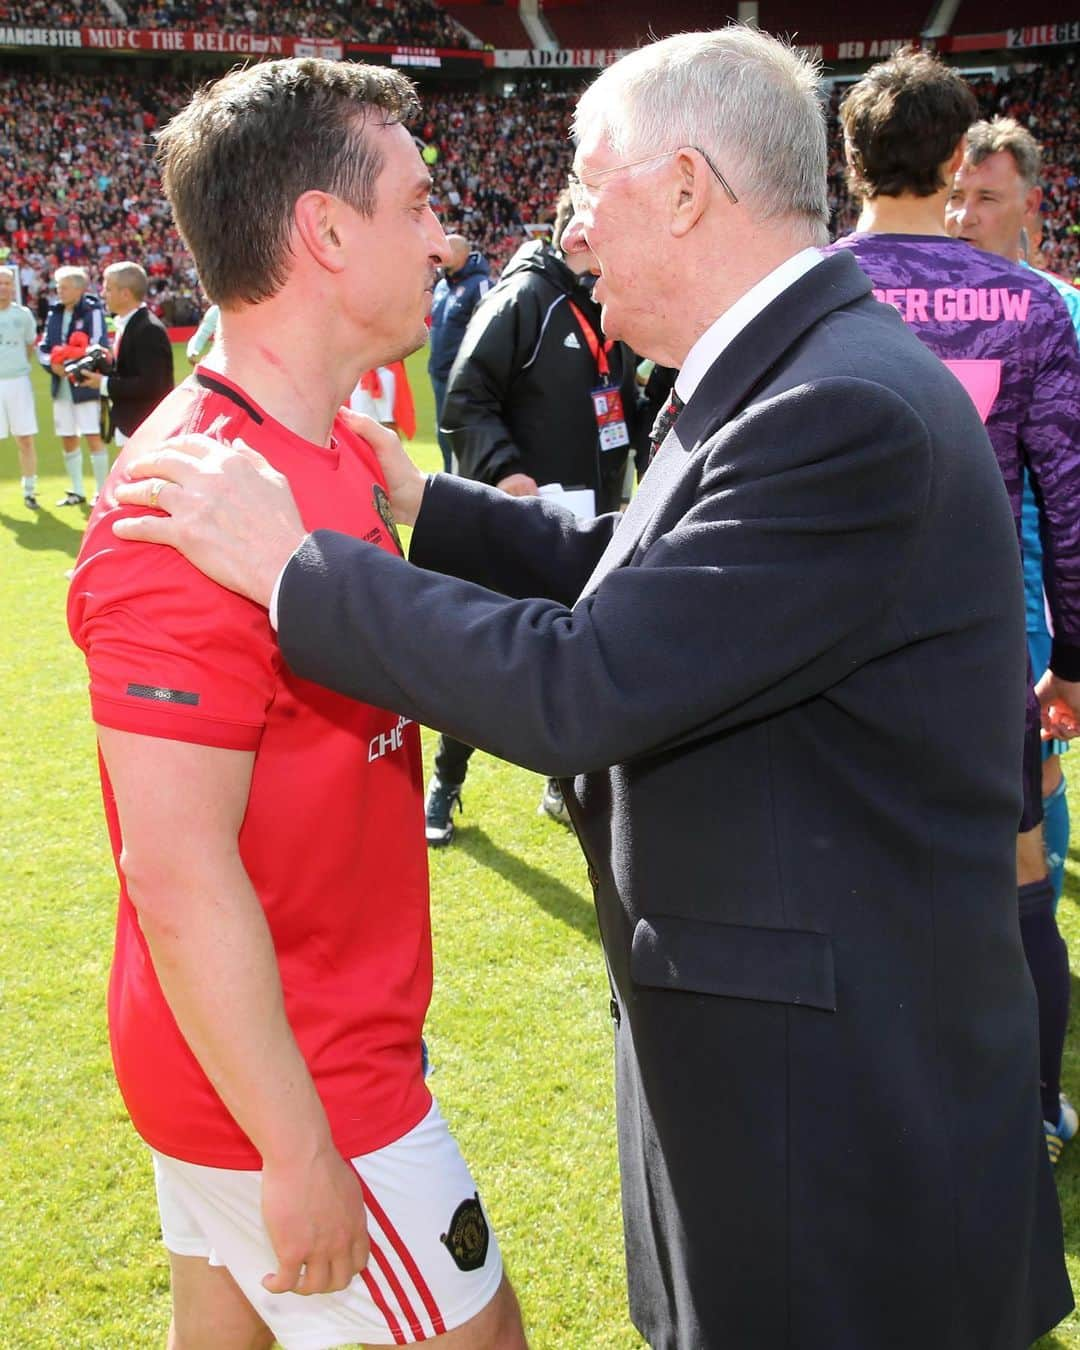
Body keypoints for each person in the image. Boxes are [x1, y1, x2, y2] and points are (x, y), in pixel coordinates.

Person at [111, 27, 1072, 1350]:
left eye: (588, 179)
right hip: (797, 1070)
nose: (566, 220)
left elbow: (600, 674)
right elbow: (637, 577)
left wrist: (295, 569)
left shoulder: (834, 404)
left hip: (840, 1113)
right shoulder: (785, 373)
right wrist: (427, 503)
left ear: (684, 190)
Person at [67, 58, 524, 1350]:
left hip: (301, 1049)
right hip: (304, 1080)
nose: (443, 235)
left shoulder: (328, 454)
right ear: (326, 230)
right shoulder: (183, 508)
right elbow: (173, 862)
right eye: (417, 204)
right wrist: (294, 1141)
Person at [831, 50, 1080, 1164]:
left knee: (855, 877)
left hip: (829, 650)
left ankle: (879, 1109)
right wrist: (1070, 659)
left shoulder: (807, 292)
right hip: (977, 649)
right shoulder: (1029, 306)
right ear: (952, 162)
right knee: (1018, 874)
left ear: (851, 162)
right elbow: (1068, 505)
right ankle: (1029, 1101)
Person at [426, 190, 641, 844]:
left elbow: (621, 402)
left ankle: (561, 786)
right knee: (486, 658)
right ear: (570, 232)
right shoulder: (526, 298)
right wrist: (503, 470)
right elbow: (466, 396)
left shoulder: (608, 301)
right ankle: (446, 783)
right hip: (526, 515)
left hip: (592, 516)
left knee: (581, 657)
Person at [947, 116, 1080, 914]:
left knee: (1039, 759)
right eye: (955, 196)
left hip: (1035, 588)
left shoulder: (1063, 311)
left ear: (1031, 202)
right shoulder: (925, 309)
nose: (964, 216)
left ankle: (1032, 939)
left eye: (986, 198)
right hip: (948, 584)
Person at [78, 261, 174, 445]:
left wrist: (104, 383)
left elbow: (152, 386)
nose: (103, 294)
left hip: (146, 429)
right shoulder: (131, 324)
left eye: (108, 289)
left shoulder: (148, 329)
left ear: (125, 294)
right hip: (134, 425)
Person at [37, 265, 106, 506]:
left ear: (79, 289)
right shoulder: (54, 312)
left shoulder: (92, 310)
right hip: (61, 385)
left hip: (85, 383)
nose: (59, 291)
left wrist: (72, 365)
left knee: (92, 435)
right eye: (58, 287)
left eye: (64, 287)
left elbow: (98, 345)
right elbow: (43, 348)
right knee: (67, 436)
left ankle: (101, 492)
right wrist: (52, 365)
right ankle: (76, 490)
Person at [427, 233, 489, 472]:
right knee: (442, 434)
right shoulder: (442, 286)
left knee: (460, 434)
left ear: (463, 254)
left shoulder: (479, 284)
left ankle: (468, 486)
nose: (442, 254)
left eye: (448, 249)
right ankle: (449, 481)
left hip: (462, 376)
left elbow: (486, 328)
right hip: (439, 372)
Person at [0, 265, 40, 509]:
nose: (3, 288)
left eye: (6, 283)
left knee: (24, 438)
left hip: (18, 382)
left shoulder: (23, 315)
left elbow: (28, 347)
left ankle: (29, 489)